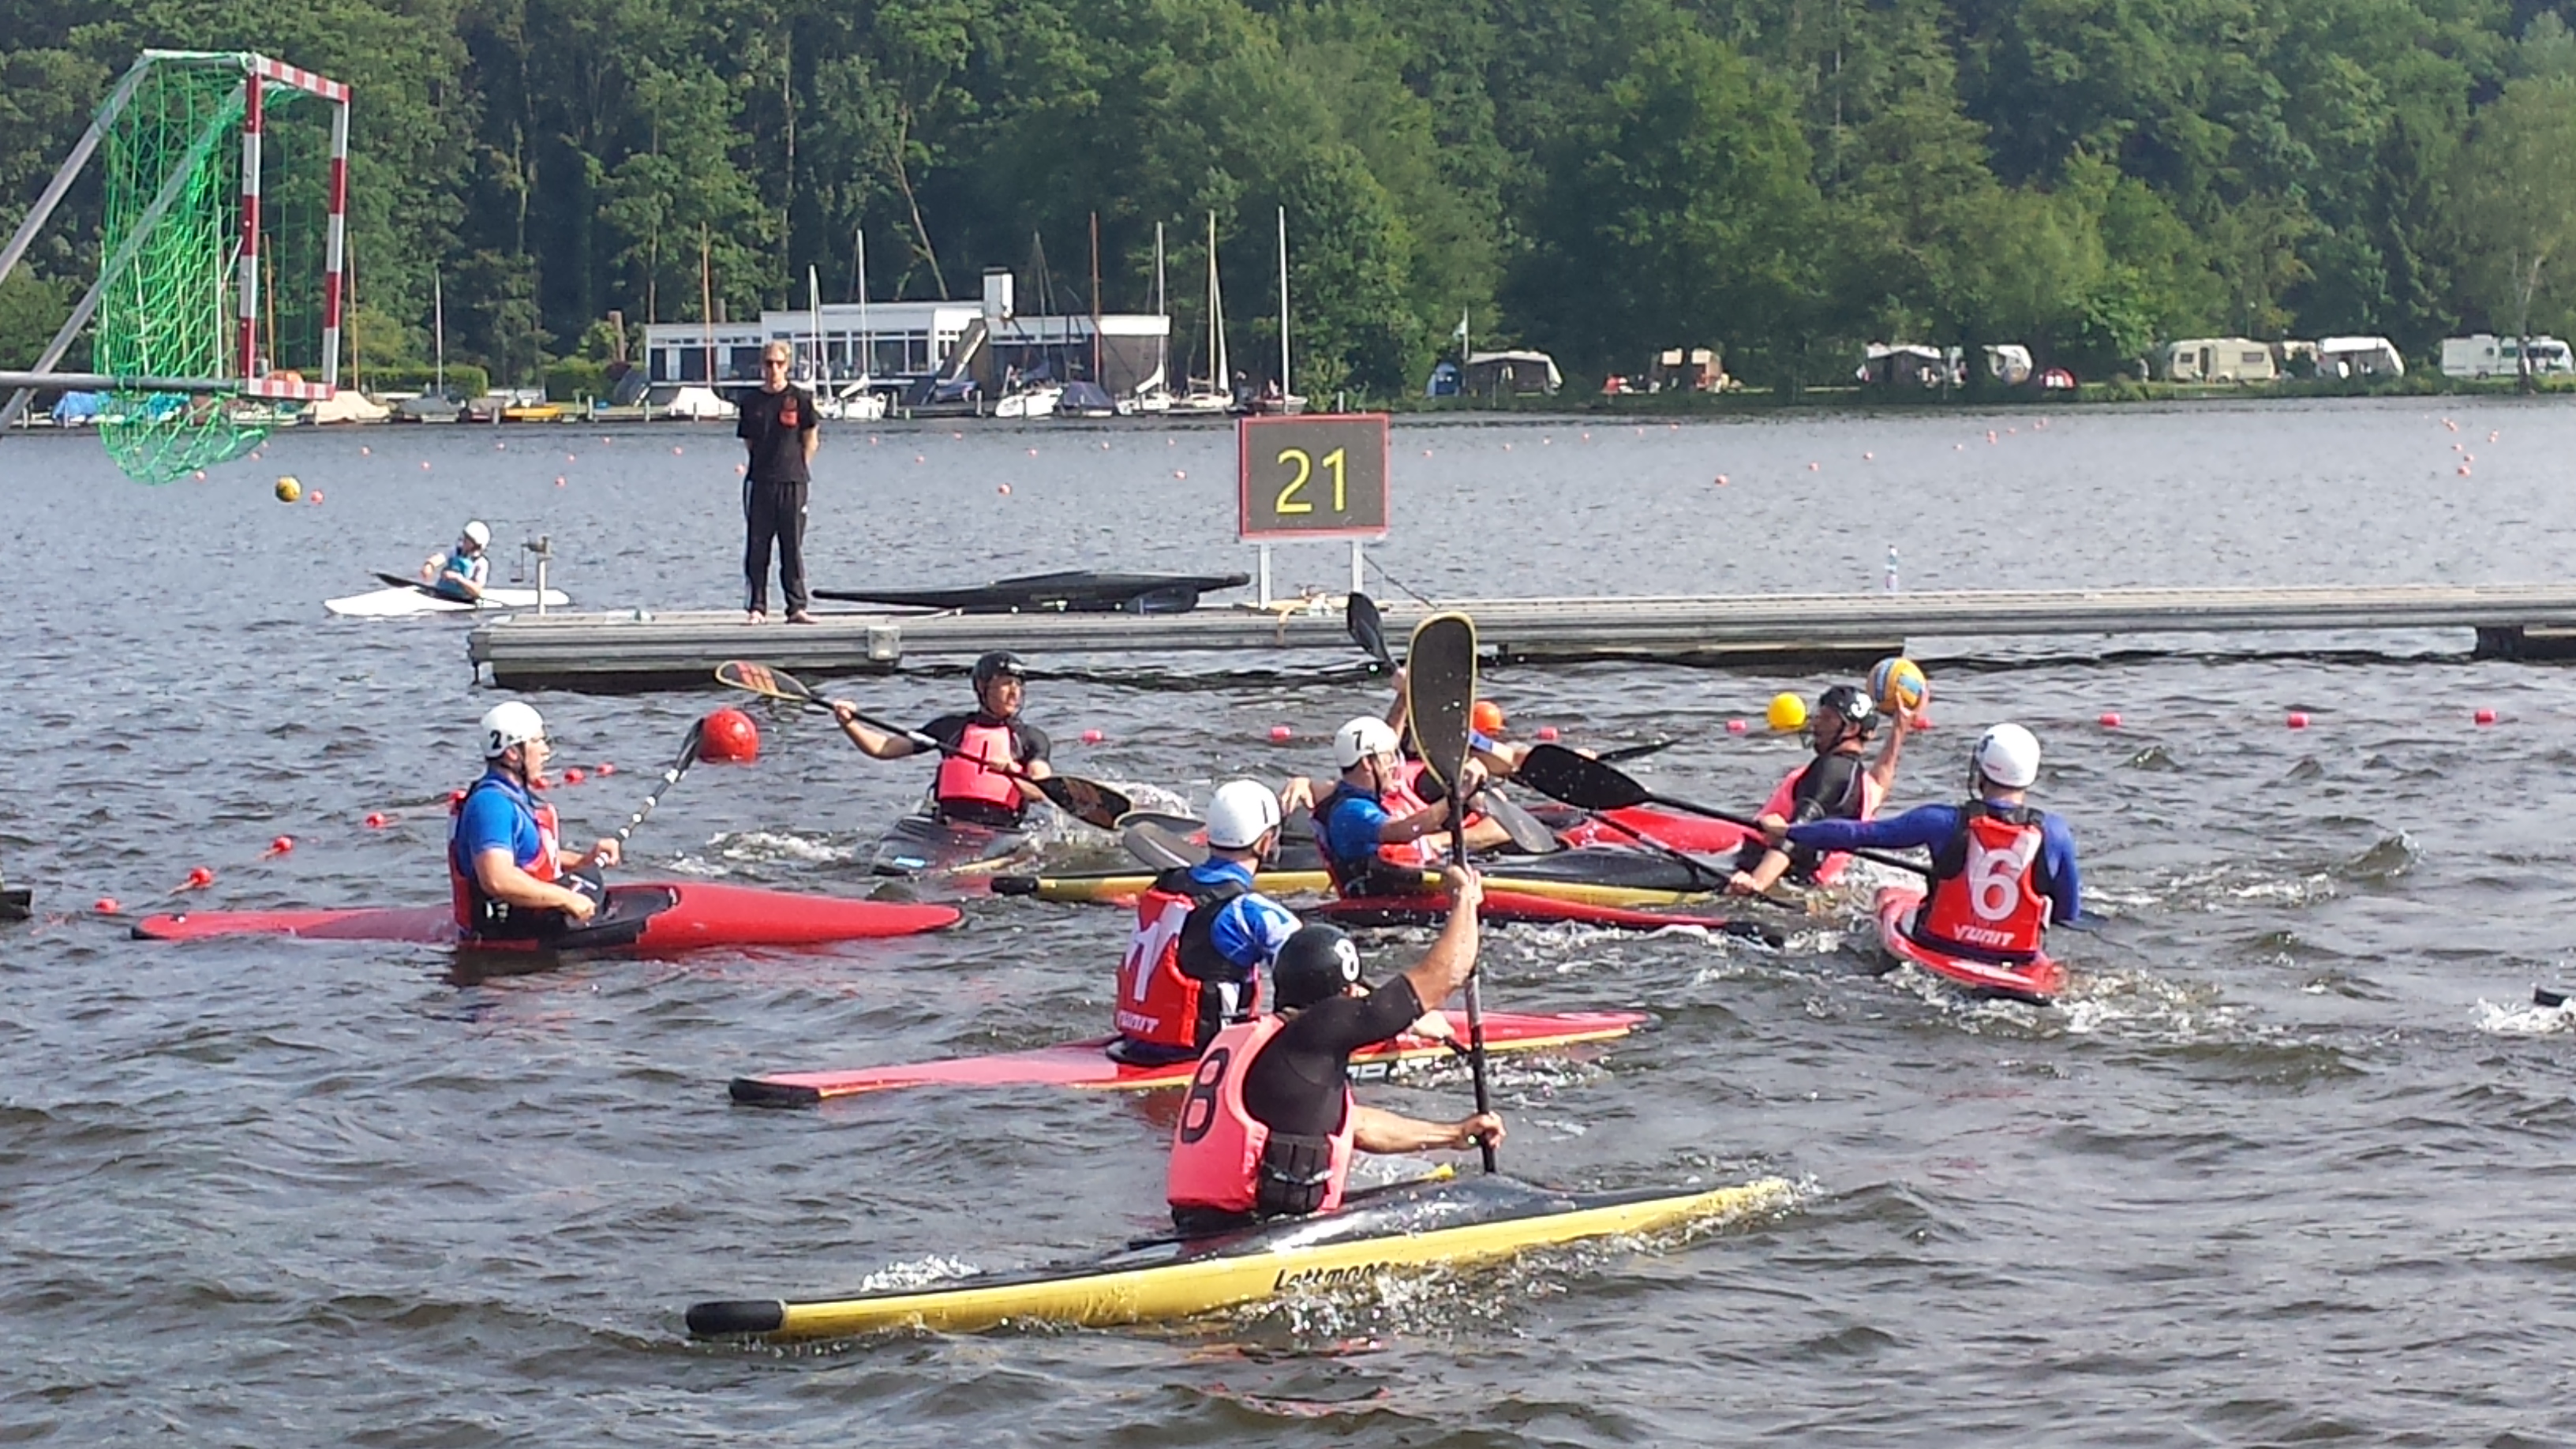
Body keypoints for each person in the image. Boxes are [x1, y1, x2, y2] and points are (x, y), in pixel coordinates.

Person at [1166, 865, 1504, 1234]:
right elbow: (1444, 977)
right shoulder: (1317, 1030)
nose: (1360, 995)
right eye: (1354, 989)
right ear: (1340, 995)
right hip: (1253, 1230)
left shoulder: (1257, 1040)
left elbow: (1354, 1125)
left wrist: (1451, 1134)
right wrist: (1465, 901)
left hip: (1204, 1226)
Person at [1770, 722, 2080, 962]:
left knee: (1889, 898)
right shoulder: (2056, 832)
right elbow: (2067, 913)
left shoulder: (1940, 821)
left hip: (1940, 944)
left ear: (1981, 770)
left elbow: (1858, 835)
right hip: (2016, 956)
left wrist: (1790, 831)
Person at [1109, 780, 1303, 1066]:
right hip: (1203, 1051)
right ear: (1266, 842)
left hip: (1136, 1042)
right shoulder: (1249, 910)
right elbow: (1312, 960)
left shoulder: (1165, 884)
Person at [447, 702, 622, 939]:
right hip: (508, 936)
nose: (545, 751)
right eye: (537, 741)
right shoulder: (491, 804)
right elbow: (497, 879)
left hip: (537, 921)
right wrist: (567, 898)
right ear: (512, 752)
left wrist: (585, 860)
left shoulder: (513, 796)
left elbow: (529, 856)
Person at [829, 651, 1055, 829]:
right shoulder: (950, 728)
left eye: (1018, 685)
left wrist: (1009, 770)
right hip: (947, 825)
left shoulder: (1030, 738)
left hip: (1001, 829)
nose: (1014, 692)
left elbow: (1040, 791)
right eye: (1006, 683)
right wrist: (848, 723)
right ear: (981, 687)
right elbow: (883, 748)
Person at [1728, 683, 1912, 897]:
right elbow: (1881, 783)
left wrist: (1756, 882)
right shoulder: (1858, 779)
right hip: (1813, 886)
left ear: (1851, 729)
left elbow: (1796, 834)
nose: (1816, 724)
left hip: (1770, 875)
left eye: (1827, 718)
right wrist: (1899, 731)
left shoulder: (1829, 771)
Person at [1286, 717, 1488, 895]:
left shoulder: (1356, 797)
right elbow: (1404, 831)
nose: (1396, 766)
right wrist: (1458, 796)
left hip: (1400, 887)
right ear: (1367, 763)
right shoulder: (1352, 811)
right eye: (1389, 758)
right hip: (1377, 909)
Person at [736, 339, 819, 624]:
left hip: (794, 483)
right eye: (769, 364)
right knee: (758, 547)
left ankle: (796, 606)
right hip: (760, 483)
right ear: (762, 366)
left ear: (788, 366)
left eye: (779, 364)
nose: (774, 369)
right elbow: (749, 442)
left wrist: (796, 468)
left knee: (792, 547)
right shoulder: (751, 402)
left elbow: (811, 440)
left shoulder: (801, 399)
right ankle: (756, 607)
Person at [421, 520, 492, 602]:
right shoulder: (456, 552)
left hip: (463, 600)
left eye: (468, 539)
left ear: (476, 545)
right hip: (441, 594)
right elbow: (440, 557)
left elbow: (477, 591)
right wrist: (429, 565)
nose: (464, 540)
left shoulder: (481, 563)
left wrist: (458, 578)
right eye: (465, 537)